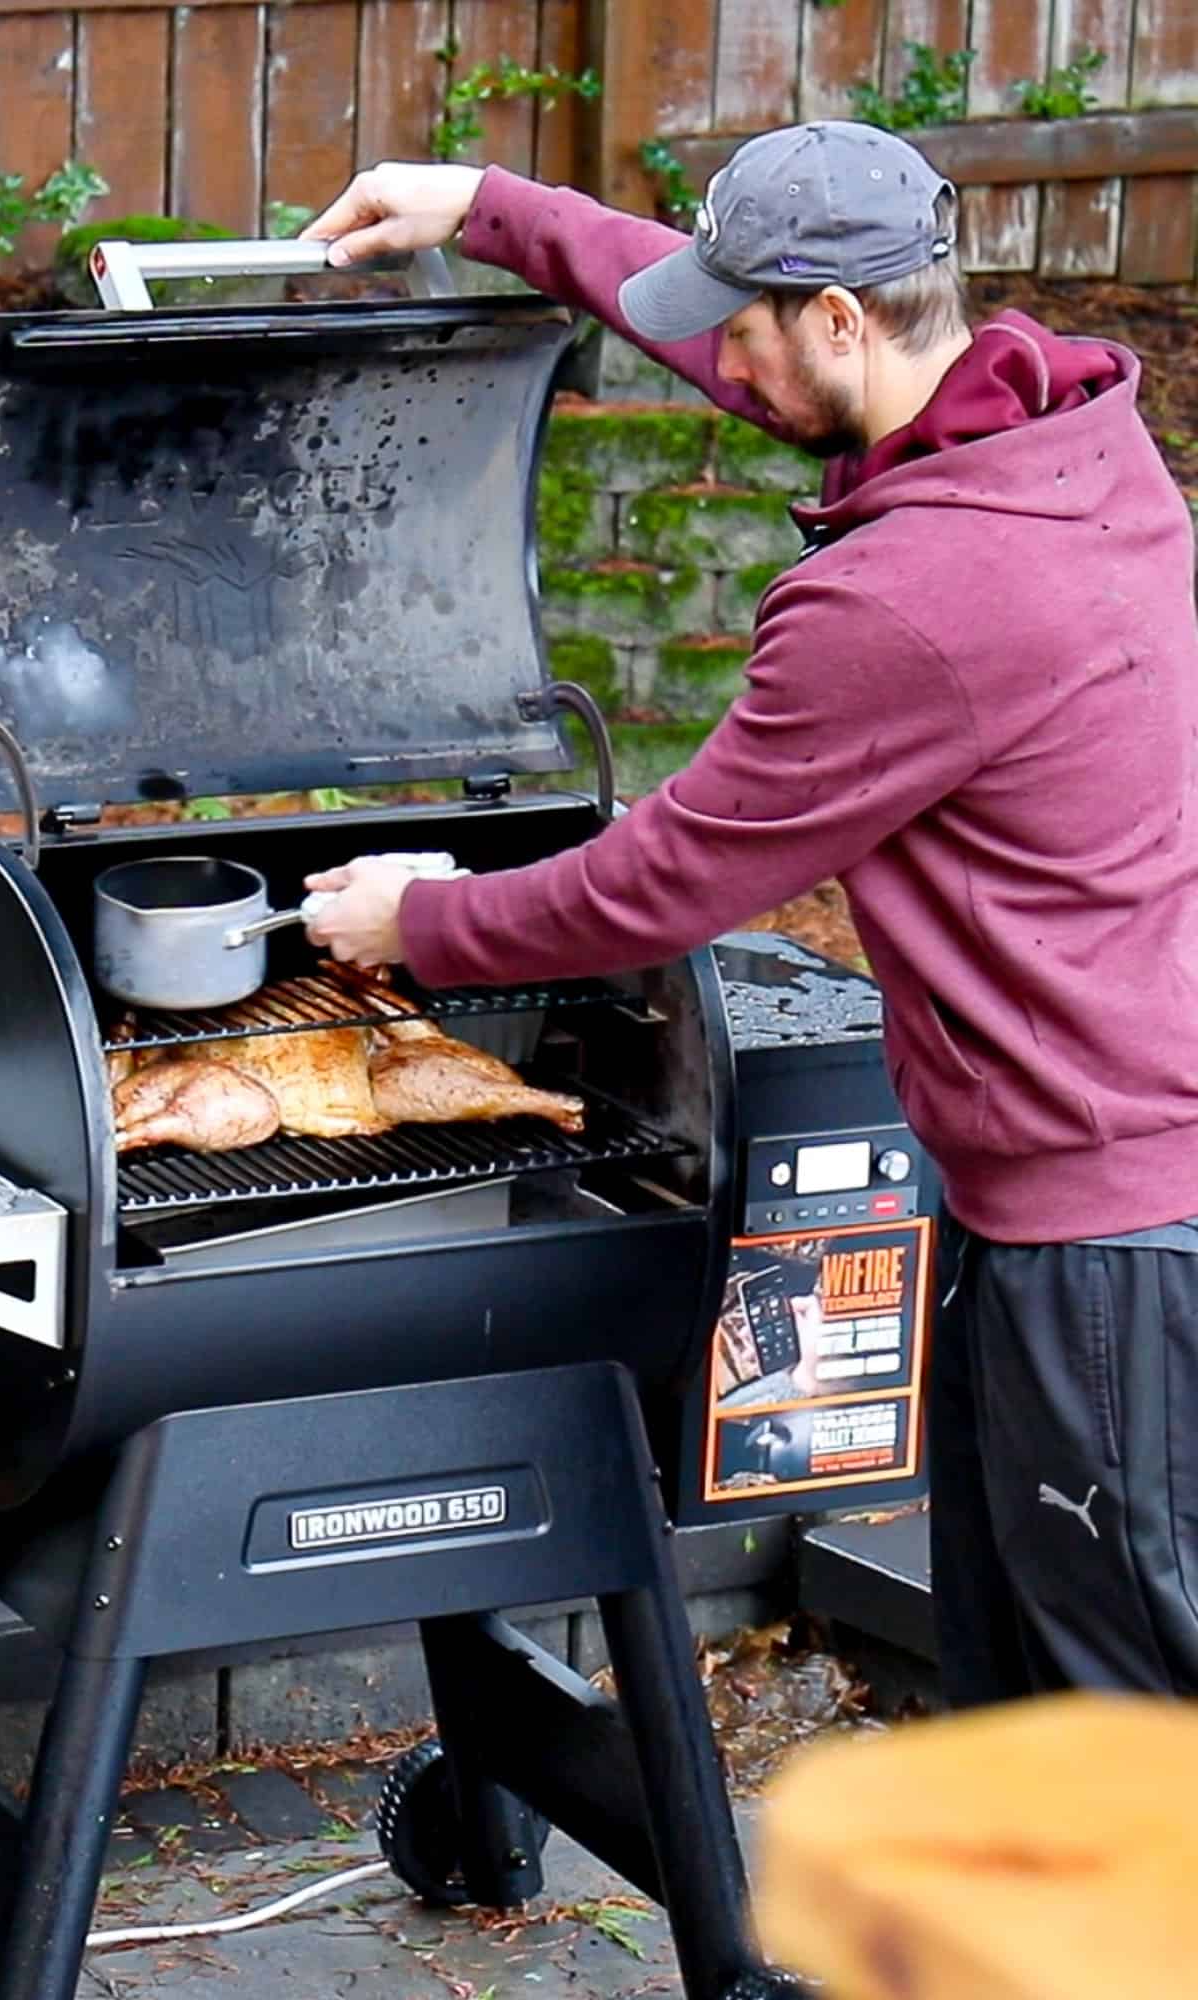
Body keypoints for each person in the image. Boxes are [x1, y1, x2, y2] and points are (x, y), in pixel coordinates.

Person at [297, 123, 1198, 1707]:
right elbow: (744, 354)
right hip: (1107, 1181)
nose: (721, 355)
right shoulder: (1058, 432)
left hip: (1099, 1244)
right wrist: (491, 212)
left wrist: (422, 924)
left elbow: (666, 880)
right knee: (1025, 1697)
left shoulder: (907, 604)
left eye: (748, 323)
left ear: (844, 322)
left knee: (1115, 1724)